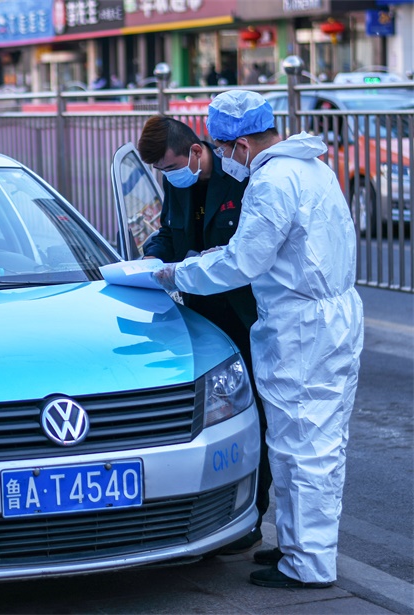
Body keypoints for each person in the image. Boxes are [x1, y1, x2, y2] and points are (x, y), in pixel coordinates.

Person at [153, 90, 364, 589]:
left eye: (224, 149)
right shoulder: (311, 167)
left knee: (306, 446)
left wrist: (176, 274)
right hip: (316, 318)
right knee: (296, 441)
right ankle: (295, 547)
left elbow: (241, 261)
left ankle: (309, 563)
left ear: (242, 143)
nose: (224, 158)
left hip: (304, 326)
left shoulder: (272, 181)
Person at [136, 115, 271, 555]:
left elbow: (245, 256)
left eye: (172, 166)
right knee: (207, 416)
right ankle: (201, 513)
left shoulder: (240, 179)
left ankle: (253, 515)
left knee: (256, 415)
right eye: (162, 171)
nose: (170, 176)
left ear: (197, 151)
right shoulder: (178, 183)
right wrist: (146, 261)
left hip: (242, 313)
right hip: (197, 313)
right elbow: (169, 237)